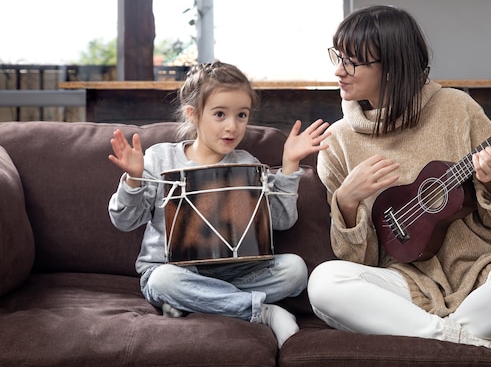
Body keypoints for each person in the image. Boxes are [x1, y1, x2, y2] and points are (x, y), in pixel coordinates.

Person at [307, 5, 491, 351]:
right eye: (337, 56)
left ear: (392, 67)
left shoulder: (456, 108)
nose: (338, 70)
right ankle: (483, 344)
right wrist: (346, 202)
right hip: (408, 283)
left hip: (484, 270)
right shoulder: (337, 143)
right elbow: (362, 261)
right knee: (324, 283)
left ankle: (432, 337)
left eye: (352, 61)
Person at [108, 61, 330, 348]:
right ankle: (260, 311)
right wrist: (134, 180)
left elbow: (281, 222)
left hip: (236, 272)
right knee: (164, 283)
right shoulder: (159, 158)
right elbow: (124, 221)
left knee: (296, 270)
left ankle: (201, 301)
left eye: (242, 115)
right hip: (173, 271)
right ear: (193, 115)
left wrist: (289, 167)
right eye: (220, 114)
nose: (232, 126)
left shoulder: (247, 163)